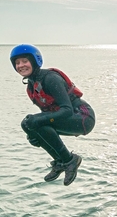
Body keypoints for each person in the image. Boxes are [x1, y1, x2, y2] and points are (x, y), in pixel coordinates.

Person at [10, 44, 95, 184]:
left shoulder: (50, 79)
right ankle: (61, 161)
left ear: (35, 61)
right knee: (28, 124)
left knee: (32, 122)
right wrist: (34, 135)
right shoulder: (32, 86)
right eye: (17, 63)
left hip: (83, 117)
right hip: (69, 117)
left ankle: (70, 161)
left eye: (24, 61)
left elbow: (66, 110)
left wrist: (36, 124)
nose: (21, 65)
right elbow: (47, 116)